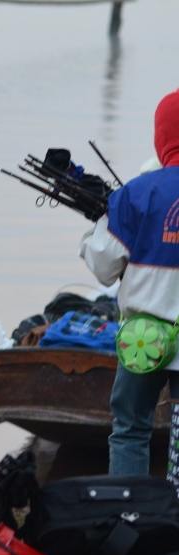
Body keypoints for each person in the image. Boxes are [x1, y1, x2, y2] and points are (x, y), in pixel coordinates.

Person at [81, 88, 179, 475]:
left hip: (145, 338)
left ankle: (129, 513)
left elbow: (104, 267)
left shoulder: (135, 194)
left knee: (130, 429)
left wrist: (93, 232)